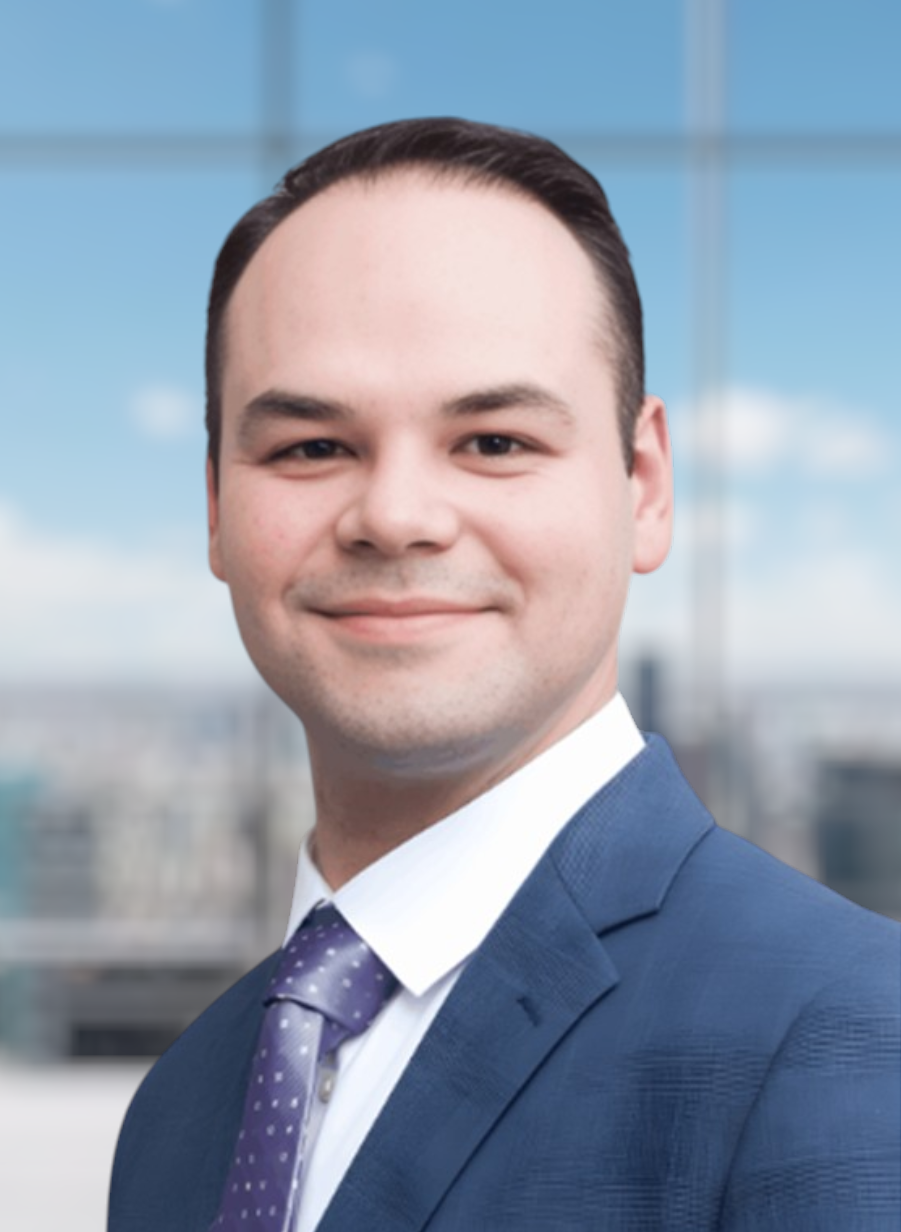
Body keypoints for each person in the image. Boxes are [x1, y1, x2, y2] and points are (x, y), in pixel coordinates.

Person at [108, 118, 900, 1232]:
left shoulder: (848, 1034)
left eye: (493, 441)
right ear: (215, 507)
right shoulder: (182, 1105)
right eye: (310, 447)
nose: (394, 516)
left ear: (641, 484)